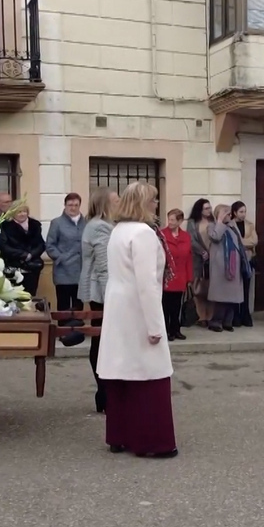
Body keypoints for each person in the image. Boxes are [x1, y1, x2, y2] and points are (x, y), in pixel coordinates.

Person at [97, 181, 177, 459]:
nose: (157, 205)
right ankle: (152, 442)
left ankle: (119, 435)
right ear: (144, 203)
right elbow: (147, 284)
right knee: (149, 374)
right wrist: (155, 326)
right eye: (153, 201)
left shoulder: (118, 231)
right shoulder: (143, 233)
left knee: (121, 371)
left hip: (119, 304)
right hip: (137, 307)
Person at [80, 187, 117, 413]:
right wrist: (111, 297)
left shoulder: (106, 225)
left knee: (102, 340)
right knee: (101, 341)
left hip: (102, 291)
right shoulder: (99, 227)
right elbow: (104, 268)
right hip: (101, 292)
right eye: (116, 200)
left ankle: (104, 393)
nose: (120, 202)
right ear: (104, 204)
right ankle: (103, 393)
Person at [205, 204, 248, 332]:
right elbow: (216, 236)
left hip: (233, 266)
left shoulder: (233, 226)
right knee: (221, 297)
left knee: (232, 296)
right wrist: (219, 221)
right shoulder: (212, 226)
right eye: (226, 214)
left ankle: (228, 321)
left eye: (229, 214)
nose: (229, 216)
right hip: (220, 267)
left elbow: (239, 243)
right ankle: (216, 322)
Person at [45, 193, 86, 320]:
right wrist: (60, 258)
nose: (73, 208)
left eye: (76, 205)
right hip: (63, 270)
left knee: (78, 303)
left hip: (81, 270)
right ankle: (64, 332)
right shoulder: (57, 223)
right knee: (63, 304)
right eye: (70, 205)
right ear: (65, 205)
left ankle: (77, 331)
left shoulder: (86, 223)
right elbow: (50, 245)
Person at [0, 204, 45, 297]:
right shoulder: (5, 226)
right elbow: (3, 246)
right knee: (15, 295)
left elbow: (41, 244)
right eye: (19, 212)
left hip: (32, 266)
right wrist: (23, 255)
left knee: (30, 295)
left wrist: (31, 255)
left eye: (24, 211)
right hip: (13, 266)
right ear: (13, 213)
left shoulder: (35, 225)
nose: (22, 214)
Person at [161, 209, 192, 342]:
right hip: (167, 276)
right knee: (166, 305)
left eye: (173, 220)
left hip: (180, 276)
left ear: (180, 221)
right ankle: (166, 330)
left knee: (177, 305)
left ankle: (176, 329)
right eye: (169, 219)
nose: (170, 222)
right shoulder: (162, 235)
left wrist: (190, 278)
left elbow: (189, 258)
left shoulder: (185, 236)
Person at [186, 198, 213, 328]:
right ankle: (201, 316)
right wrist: (202, 252)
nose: (209, 210)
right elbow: (191, 240)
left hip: (213, 260)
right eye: (206, 208)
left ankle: (210, 316)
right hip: (198, 260)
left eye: (210, 208)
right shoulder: (192, 223)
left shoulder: (213, 222)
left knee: (211, 290)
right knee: (198, 290)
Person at [231, 201, 257, 327]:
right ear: (234, 212)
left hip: (247, 259)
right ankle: (235, 317)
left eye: (244, 211)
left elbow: (254, 240)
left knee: (246, 288)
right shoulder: (230, 225)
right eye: (241, 212)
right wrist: (243, 242)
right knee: (236, 289)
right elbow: (233, 242)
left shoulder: (250, 225)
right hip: (235, 260)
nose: (243, 214)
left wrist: (241, 241)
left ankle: (245, 316)